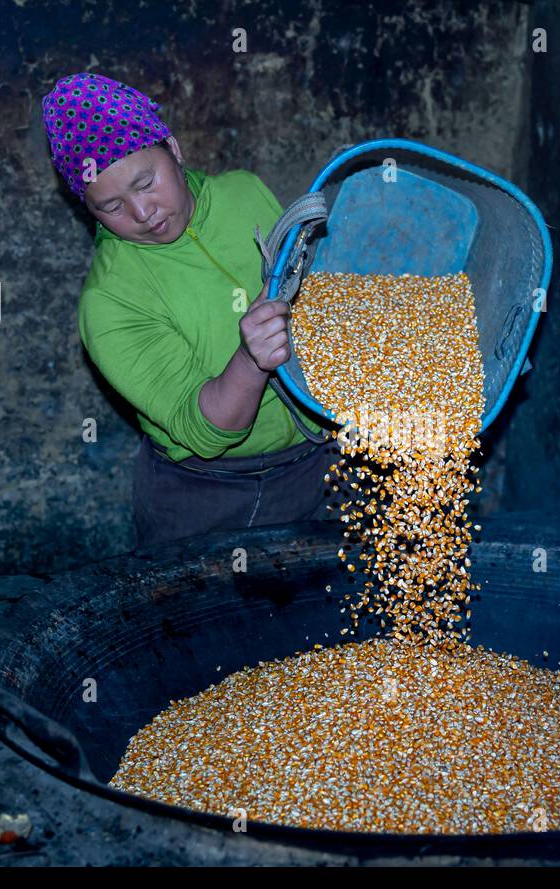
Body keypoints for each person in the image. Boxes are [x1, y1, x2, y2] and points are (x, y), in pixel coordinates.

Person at [41, 73, 344, 549]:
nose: (143, 214)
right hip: (208, 496)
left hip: (318, 460)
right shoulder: (110, 302)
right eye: (112, 206)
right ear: (88, 209)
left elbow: (309, 286)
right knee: (208, 620)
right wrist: (250, 360)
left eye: (147, 182)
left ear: (174, 151)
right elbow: (206, 432)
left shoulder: (244, 193)